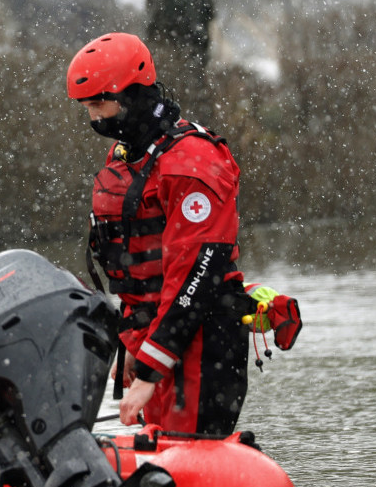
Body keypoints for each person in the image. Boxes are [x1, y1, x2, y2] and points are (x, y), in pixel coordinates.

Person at [67, 32, 298, 436]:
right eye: (86, 107)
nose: (94, 119)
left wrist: (152, 370)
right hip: (153, 338)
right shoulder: (128, 156)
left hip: (200, 343)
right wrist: (136, 350)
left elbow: (195, 274)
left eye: (100, 104)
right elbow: (137, 273)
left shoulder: (192, 163)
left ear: (133, 94)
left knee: (187, 458)